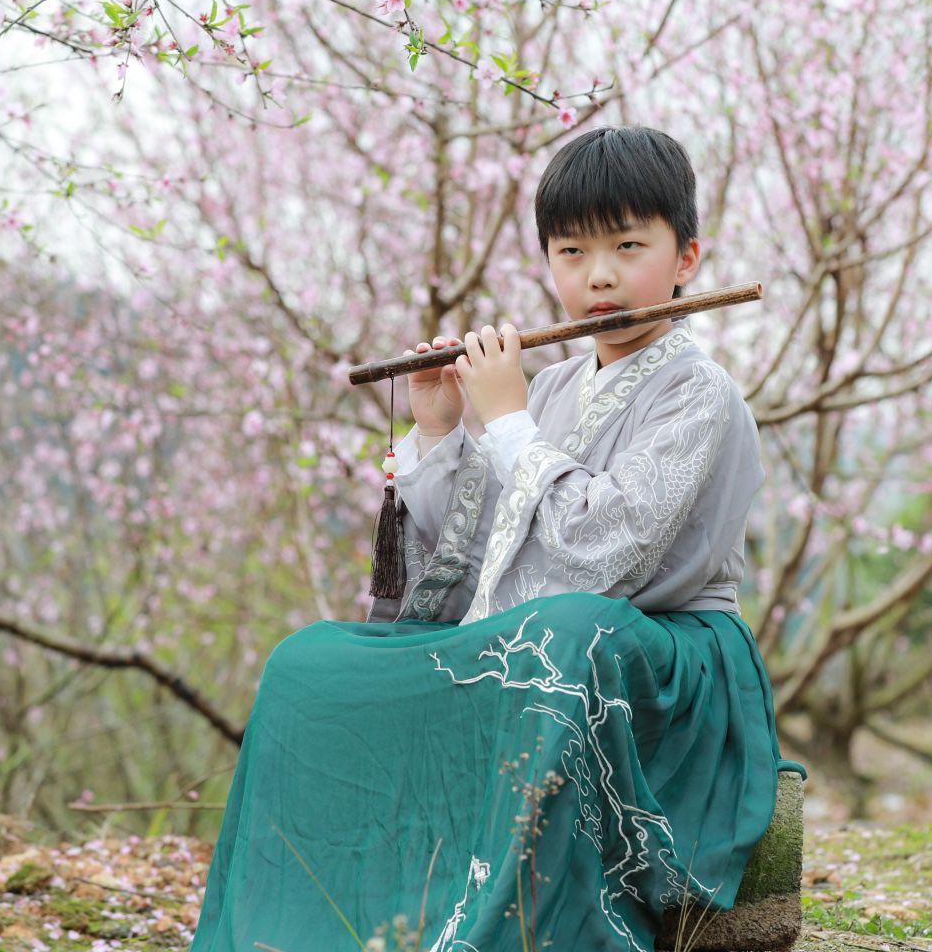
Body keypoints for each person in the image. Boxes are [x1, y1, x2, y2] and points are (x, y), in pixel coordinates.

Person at [191, 127, 798, 951]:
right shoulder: (550, 387)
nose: (601, 276)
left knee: (567, 630)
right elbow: (482, 564)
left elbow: (600, 557)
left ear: (686, 257)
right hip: (556, 638)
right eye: (572, 251)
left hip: (667, 658)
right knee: (311, 662)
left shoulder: (699, 390)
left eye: (628, 245)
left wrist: (507, 419)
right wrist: (440, 428)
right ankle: (332, 927)